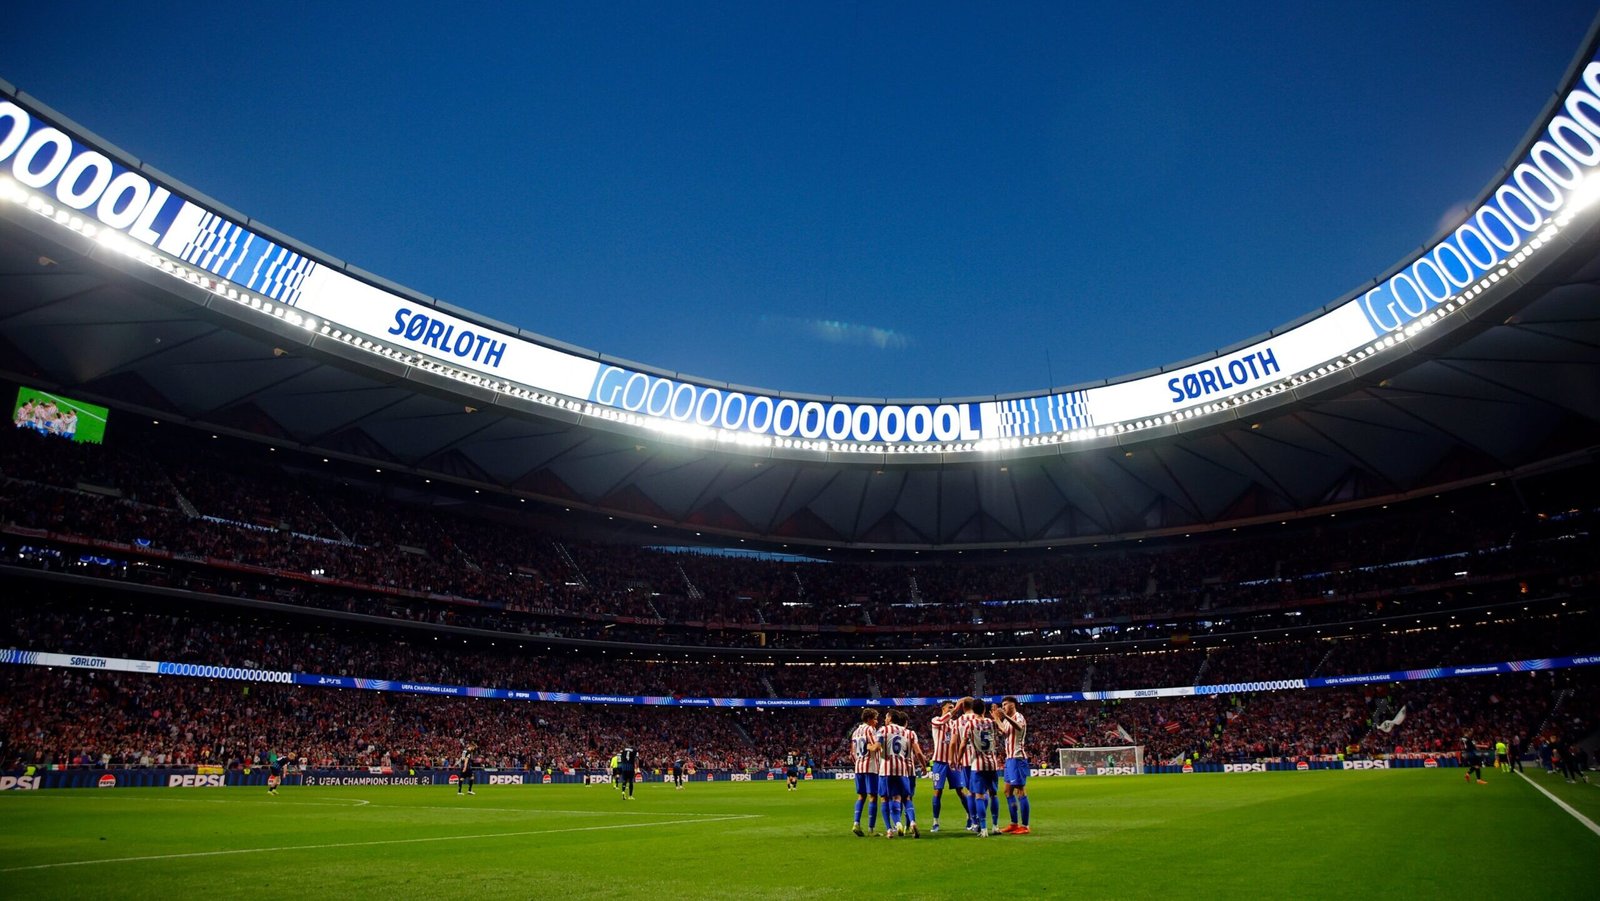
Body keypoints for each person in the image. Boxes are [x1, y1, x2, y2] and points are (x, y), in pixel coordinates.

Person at [878, 709, 925, 838]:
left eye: (886, 717)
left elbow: (878, 746)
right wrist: (924, 766)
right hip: (906, 769)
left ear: (890, 718)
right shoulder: (909, 733)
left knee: (889, 798)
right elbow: (918, 752)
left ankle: (893, 826)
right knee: (907, 798)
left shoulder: (883, 730)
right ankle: (911, 822)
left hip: (887, 769)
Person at [928, 699, 972, 833]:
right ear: (943, 709)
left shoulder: (955, 724)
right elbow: (942, 721)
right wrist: (957, 707)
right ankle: (935, 822)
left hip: (953, 763)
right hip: (939, 762)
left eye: (953, 707)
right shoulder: (936, 720)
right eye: (949, 707)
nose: (952, 709)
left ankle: (970, 816)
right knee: (937, 791)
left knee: (961, 791)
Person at [994, 696, 1031, 835]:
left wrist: (1004, 717)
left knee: (1020, 791)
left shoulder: (1018, 716)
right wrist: (997, 718)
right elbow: (1004, 730)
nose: (1003, 706)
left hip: (1017, 758)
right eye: (1002, 705)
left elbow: (1019, 726)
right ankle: (1014, 824)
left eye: (1006, 704)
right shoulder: (1006, 720)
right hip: (1009, 759)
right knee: (1007, 791)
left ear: (1013, 705)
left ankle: (1025, 826)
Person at [850, 708, 883, 837]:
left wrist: (858, 761)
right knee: (873, 796)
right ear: (869, 719)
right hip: (870, 767)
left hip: (858, 767)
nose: (876, 721)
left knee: (861, 796)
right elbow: (876, 746)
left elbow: (852, 753)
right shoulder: (870, 729)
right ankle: (871, 829)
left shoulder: (855, 732)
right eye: (875, 718)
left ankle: (856, 823)